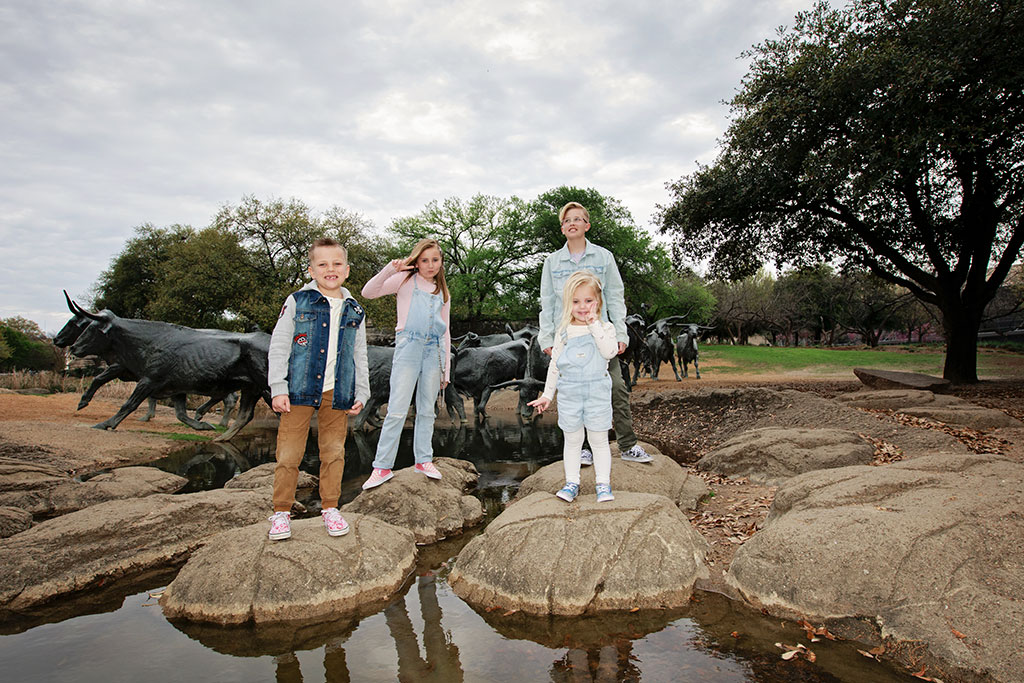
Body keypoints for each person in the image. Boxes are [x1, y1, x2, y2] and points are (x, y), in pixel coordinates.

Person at [266, 238, 370, 541]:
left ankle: (330, 508)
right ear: (311, 269)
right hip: (298, 388)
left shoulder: (354, 309)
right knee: (289, 452)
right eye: (323, 264)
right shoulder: (298, 301)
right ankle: (282, 511)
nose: (330, 269)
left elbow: (359, 353)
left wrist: (361, 392)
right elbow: (279, 345)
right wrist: (277, 387)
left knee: (334, 452)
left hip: (337, 392)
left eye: (337, 264)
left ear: (347, 270)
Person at [538, 201, 653, 464]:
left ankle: (627, 445)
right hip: (568, 338)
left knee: (616, 387)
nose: (572, 223)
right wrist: (546, 339)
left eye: (578, 219)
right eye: (567, 220)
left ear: (587, 225)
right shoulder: (552, 262)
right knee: (573, 393)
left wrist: (621, 334)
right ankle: (582, 449)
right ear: (562, 227)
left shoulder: (604, 257)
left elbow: (615, 296)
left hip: (599, 337)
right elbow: (547, 303)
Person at [360, 238, 452, 489]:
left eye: (435, 260)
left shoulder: (443, 291)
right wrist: (392, 269)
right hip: (409, 346)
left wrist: (446, 368)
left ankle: (423, 459)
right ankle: (381, 466)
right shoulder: (405, 281)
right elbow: (368, 292)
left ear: (441, 262)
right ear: (417, 261)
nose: (430, 265)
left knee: (426, 410)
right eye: (425, 260)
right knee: (398, 408)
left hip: (434, 351)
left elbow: (446, 332)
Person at [529, 271, 618, 502]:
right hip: (570, 395)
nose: (583, 307)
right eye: (576, 301)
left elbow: (609, 352)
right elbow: (555, 366)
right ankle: (571, 482)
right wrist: (548, 395)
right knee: (573, 441)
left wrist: (594, 325)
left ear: (598, 301)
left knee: (598, 440)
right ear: (569, 303)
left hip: (597, 393)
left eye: (588, 301)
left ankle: (603, 484)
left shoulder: (605, 328)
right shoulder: (564, 332)